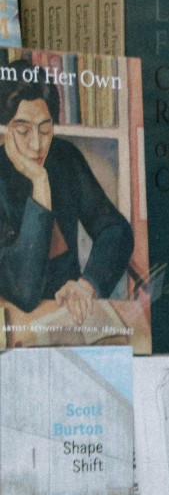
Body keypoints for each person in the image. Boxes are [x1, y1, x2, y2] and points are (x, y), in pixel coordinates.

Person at [0, 80, 135, 328]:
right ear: (5, 129)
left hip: (71, 313)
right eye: (23, 131)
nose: (36, 145)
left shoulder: (64, 157)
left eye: (45, 129)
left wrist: (88, 284)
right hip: (19, 319)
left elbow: (115, 228)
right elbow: (24, 293)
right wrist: (40, 183)